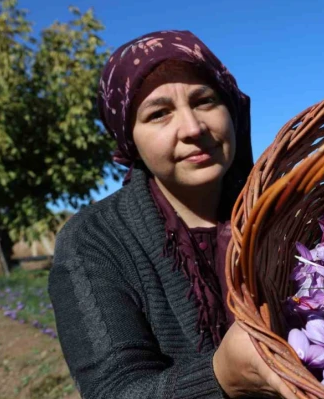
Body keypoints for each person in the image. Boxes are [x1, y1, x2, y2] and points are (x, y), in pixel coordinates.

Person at [48, 30, 295, 399]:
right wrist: (221, 376)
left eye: (205, 101)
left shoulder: (283, 210)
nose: (193, 128)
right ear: (129, 138)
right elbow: (112, 390)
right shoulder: (93, 240)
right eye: (159, 113)